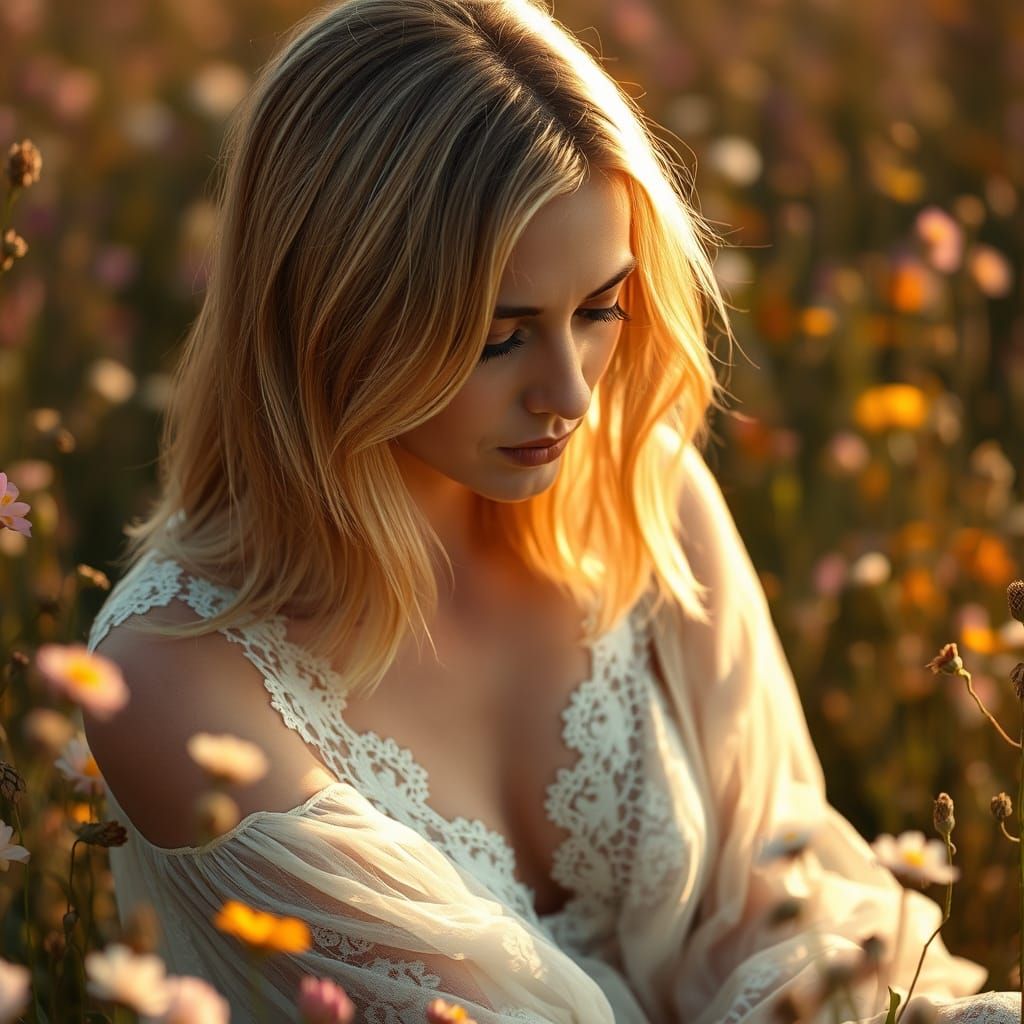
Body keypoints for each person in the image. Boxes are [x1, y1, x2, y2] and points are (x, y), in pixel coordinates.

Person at [83, 0, 1013, 1020]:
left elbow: (785, 908)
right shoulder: (176, 674)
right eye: (497, 335)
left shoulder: (637, 491)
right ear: (331, 316)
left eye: (600, 307)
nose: (571, 394)